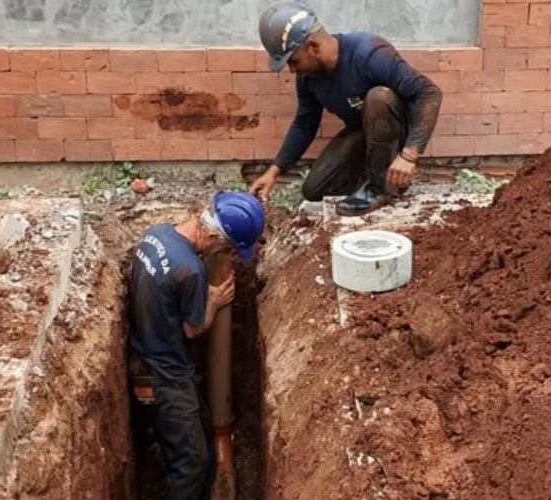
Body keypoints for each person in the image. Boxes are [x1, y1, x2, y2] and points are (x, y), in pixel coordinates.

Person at [127, 191, 266, 500]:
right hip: (165, 376)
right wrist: (214, 302)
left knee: (199, 432)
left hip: (143, 355)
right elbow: (193, 328)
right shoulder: (191, 270)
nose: (227, 255)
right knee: (192, 464)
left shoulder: (156, 234)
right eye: (227, 248)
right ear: (214, 237)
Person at [249, 0, 444, 217]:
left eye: (293, 61)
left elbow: (429, 93)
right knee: (314, 189)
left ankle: (380, 188)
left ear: (313, 47)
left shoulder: (370, 53)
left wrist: (409, 155)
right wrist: (274, 172)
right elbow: (304, 125)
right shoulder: (309, 77)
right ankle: (375, 177)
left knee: (379, 98)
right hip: (361, 131)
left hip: (395, 132)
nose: (292, 70)